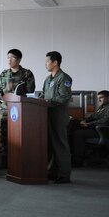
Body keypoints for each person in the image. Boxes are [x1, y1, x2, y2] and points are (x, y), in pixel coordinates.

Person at [0, 48, 37, 169]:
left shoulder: (27, 73)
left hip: (20, 110)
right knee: (3, 135)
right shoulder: (3, 74)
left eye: (12, 58)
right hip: (4, 110)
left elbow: (31, 89)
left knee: (20, 135)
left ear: (18, 60)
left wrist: (22, 85)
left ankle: (20, 159)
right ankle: (4, 160)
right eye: (8, 58)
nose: (9, 60)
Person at [43, 51, 72, 183]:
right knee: (50, 144)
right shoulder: (48, 79)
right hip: (47, 115)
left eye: (47, 61)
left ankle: (65, 174)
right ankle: (53, 171)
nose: (45, 64)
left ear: (55, 62)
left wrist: (48, 102)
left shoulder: (64, 78)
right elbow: (43, 95)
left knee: (60, 144)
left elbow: (64, 97)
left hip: (59, 116)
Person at [70, 90, 109, 165]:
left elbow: (106, 121)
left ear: (108, 98)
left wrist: (88, 124)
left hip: (102, 131)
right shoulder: (101, 108)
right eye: (98, 98)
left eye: (101, 98)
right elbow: (92, 117)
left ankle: (78, 159)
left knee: (78, 134)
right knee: (74, 124)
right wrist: (84, 121)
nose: (99, 100)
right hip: (95, 129)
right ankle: (71, 155)